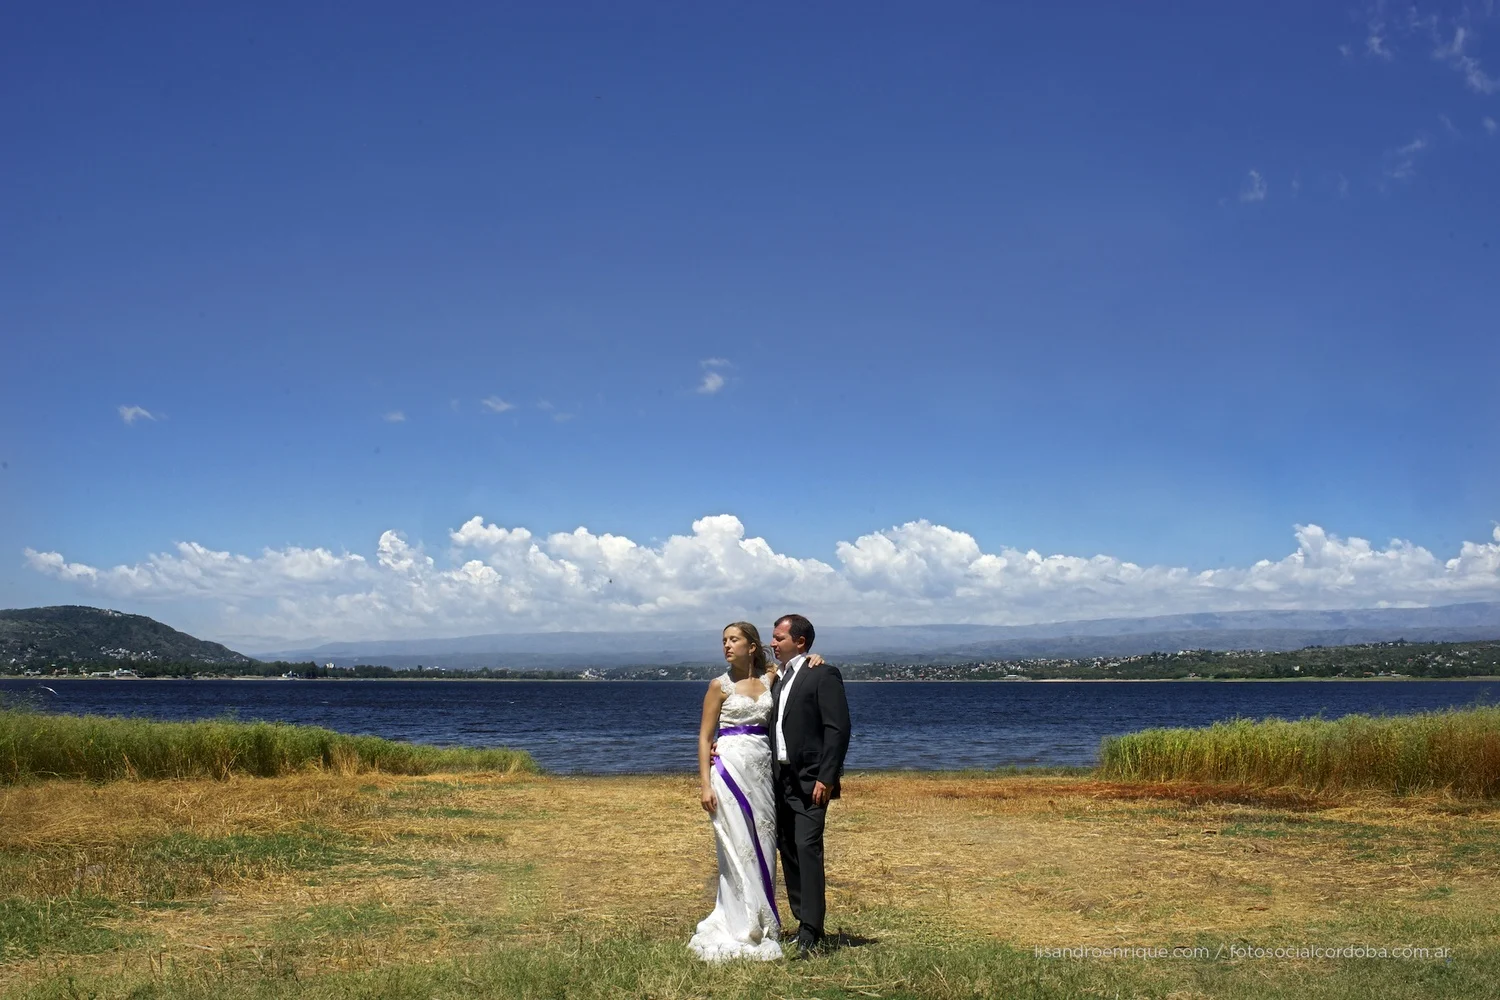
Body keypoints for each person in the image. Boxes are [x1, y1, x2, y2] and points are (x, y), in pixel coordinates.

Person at [688, 622, 825, 962]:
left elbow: (798, 669)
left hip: (762, 775)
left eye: (734, 640)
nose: (726, 646)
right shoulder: (718, 686)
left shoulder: (770, 678)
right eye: (723, 641)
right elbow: (705, 738)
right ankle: (738, 921)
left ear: (752, 646)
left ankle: (765, 920)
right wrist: (705, 783)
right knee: (736, 849)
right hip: (729, 771)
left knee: (764, 844)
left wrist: (815, 658)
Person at [769, 613, 850, 957]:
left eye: (779, 638)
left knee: (807, 847)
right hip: (778, 780)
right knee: (787, 849)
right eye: (772, 638)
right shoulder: (776, 679)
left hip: (811, 780)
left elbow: (838, 728)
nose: (773, 643)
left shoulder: (823, 673)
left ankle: (812, 930)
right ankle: (801, 920)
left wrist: (826, 777)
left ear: (800, 642)